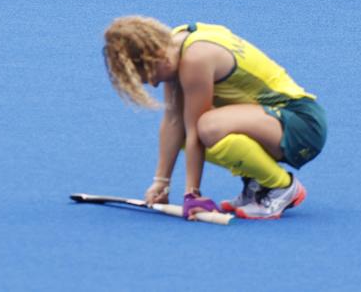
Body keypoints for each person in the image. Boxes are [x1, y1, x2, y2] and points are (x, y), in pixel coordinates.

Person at [103, 16, 327, 221]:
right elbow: (173, 122)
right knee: (182, 135)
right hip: (271, 121)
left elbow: (196, 131)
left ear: (154, 58)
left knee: (208, 127)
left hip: (302, 124)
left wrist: (192, 194)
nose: (152, 84)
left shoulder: (195, 58)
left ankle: (282, 186)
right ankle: (257, 184)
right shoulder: (174, 46)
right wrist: (161, 184)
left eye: (149, 76)